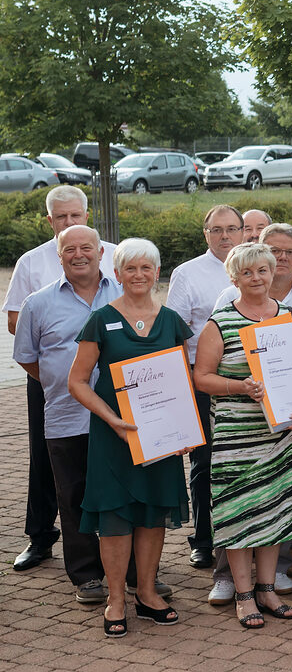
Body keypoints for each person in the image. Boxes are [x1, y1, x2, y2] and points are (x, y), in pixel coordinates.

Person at [67, 239, 191, 637]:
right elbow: (77, 382)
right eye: (130, 269)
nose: (139, 275)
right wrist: (111, 419)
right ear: (116, 274)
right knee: (116, 516)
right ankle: (116, 598)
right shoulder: (101, 319)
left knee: (153, 512)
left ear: (158, 272)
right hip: (113, 438)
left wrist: (186, 427)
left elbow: (183, 379)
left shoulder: (171, 319)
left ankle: (149, 593)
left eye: (147, 268)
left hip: (161, 437)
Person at [193, 242, 292, 629]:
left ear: (272, 271)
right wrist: (240, 387)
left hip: (279, 434)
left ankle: (267, 589)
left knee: (275, 512)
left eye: (262, 270)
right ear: (234, 278)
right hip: (237, 438)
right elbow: (202, 377)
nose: (257, 278)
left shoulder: (291, 318)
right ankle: (243, 595)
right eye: (247, 273)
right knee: (238, 513)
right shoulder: (220, 322)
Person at [5, 185, 115, 573]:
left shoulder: (114, 256)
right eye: (61, 217)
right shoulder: (32, 262)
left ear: (88, 216)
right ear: (50, 221)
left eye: (76, 215)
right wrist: (61, 377)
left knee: (113, 467)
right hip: (51, 382)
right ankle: (40, 537)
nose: (70, 223)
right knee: (48, 460)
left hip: (115, 390)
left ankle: (121, 555)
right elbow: (18, 324)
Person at [165, 204, 240, 574]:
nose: (225, 236)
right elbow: (174, 334)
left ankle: (243, 535)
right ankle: (204, 540)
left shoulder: (253, 266)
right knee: (204, 462)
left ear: (244, 232)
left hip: (248, 383)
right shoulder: (187, 273)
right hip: (202, 380)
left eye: (231, 228)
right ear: (205, 234)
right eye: (217, 230)